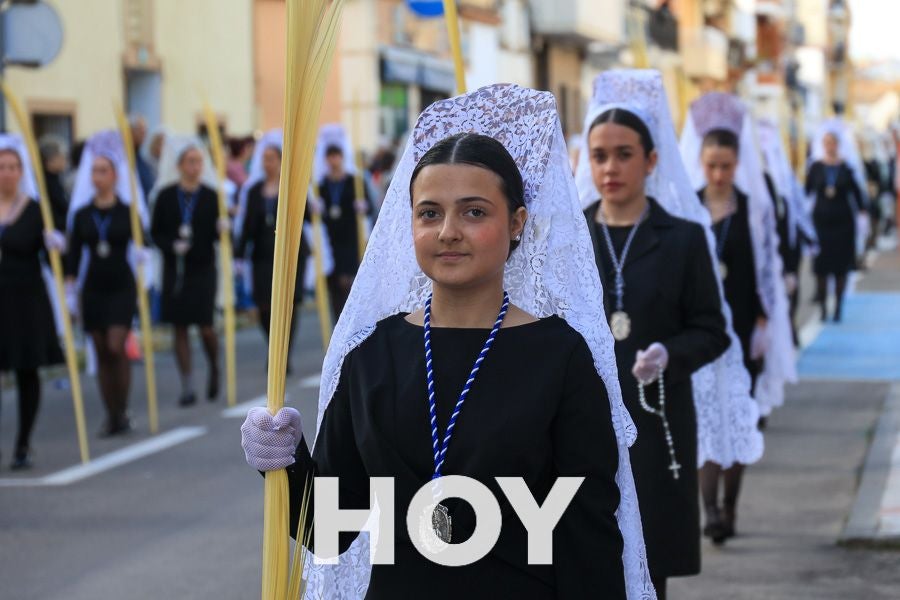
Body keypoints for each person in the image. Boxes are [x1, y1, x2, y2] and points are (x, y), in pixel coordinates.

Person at [241, 84, 655, 599]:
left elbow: (587, 538)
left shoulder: (561, 357)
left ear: (517, 223)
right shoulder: (372, 356)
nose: (448, 232)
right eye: (430, 213)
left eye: (474, 212)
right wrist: (284, 462)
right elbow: (329, 531)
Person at [575, 72, 731, 597]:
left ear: (651, 160)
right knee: (586, 558)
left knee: (649, 563)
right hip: (582, 418)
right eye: (599, 156)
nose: (610, 168)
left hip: (654, 416)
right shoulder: (571, 239)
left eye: (624, 155)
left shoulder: (683, 239)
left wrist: (670, 353)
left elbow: (712, 329)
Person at [681, 92, 797, 544]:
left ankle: (730, 507)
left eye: (726, 166)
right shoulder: (688, 207)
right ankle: (709, 511)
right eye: (711, 165)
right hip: (699, 328)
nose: (718, 175)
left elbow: (766, 270)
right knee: (707, 421)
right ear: (701, 162)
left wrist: (766, 323)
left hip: (744, 326)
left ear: (737, 164)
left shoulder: (752, 208)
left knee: (738, 419)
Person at [66, 132, 142, 436]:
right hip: (94, 288)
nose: (98, 176)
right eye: (94, 171)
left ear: (115, 175)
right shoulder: (82, 214)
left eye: (103, 171)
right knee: (100, 351)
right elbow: (74, 255)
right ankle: (112, 415)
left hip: (121, 285)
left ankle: (122, 409)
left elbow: (144, 241)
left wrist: (144, 255)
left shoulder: (127, 211)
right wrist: (69, 290)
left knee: (115, 345)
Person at [0, 138, 65, 468]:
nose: (7, 173)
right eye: (2, 167)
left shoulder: (37, 210)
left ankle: (23, 443)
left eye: (13, 167)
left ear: (21, 172)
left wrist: (55, 245)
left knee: (27, 370)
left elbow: (56, 254)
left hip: (26, 298)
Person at [151, 139, 227, 406]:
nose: (195, 167)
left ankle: (214, 365)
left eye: (199, 162)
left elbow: (219, 235)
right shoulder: (165, 196)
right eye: (190, 162)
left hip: (203, 268)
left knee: (206, 326)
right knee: (179, 326)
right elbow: (155, 232)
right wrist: (171, 245)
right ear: (180, 166)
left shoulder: (211, 196)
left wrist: (223, 228)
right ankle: (187, 384)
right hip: (175, 270)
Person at [234, 140, 310, 372]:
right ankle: (273, 347)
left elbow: (305, 215)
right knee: (264, 306)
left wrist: (313, 204)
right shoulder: (253, 191)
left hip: (290, 253)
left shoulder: (291, 187)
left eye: (272, 159)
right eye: (265, 159)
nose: (268, 163)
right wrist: (239, 253)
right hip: (262, 255)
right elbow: (247, 224)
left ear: (280, 161)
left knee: (288, 305)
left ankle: (283, 355)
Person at [312, 125, 373, 324]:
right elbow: (311, 218)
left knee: (348, 281)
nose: (333, 161)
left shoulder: (354, 181)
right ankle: (338, 322)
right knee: (334, 284)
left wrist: (363, 207)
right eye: (330, 157)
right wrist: (314, 209)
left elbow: (370, 208)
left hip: (350, 237)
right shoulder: (321, 185)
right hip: (331, 240)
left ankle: (353, 322)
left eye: (336, 156)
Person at [805, 132, 866, 322]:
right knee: (822, 267)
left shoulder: (846, 167)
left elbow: (857, 193)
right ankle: (823, 308)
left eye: (832, 143)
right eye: (826, 143)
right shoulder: (816, 167)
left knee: (841, 267)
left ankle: (838, 307)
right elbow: (806, 191)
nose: (829, 146)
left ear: (838, 145)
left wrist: (863, 213)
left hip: (843, 224)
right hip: (821, 223)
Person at [130, 115, 156, 197]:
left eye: (145, 131)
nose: (144, 134)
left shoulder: (141, 158)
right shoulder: (124, 158)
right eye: (140, 130)